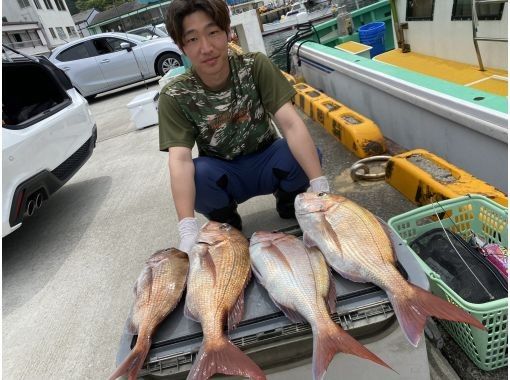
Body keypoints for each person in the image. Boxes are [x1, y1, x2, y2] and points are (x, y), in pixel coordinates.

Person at [159, 0, 329, 253]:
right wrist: (187, 228)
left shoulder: (255, 65)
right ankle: (226, 222)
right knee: (197, 174)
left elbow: (291, 124)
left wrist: (322, 189)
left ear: (228, 31)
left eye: (213, 32)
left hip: (267, 159)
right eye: (192, 39)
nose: (206, 48)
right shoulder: (175, 95)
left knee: (305, 154)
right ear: (180, 45)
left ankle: (289, 201)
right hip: (224, 172)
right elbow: (180, 160)